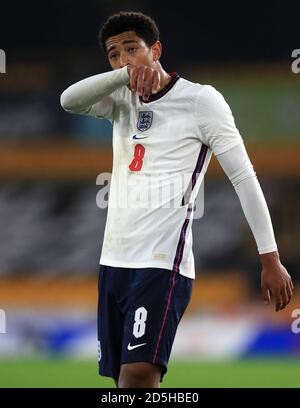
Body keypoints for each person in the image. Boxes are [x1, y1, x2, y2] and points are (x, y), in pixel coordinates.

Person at [60, 11, 294, 388]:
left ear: (156, 50)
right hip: (114, 263)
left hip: (162, 263)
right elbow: (68, 100)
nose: (123, 60)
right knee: (121, 382)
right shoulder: (119, 99)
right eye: (113, 54)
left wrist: (270, 257)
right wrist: (124, 75)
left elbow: (244, 176)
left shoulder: (201, 101)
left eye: (132, 49)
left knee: (138, 377)